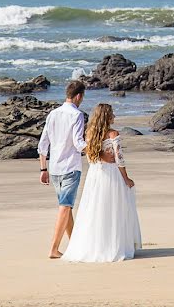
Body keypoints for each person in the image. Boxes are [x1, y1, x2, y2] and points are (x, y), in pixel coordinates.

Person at [63, 103, 142, 262]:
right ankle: (112, 245)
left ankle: (94, 245)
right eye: (112, 113)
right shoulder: (113, 134)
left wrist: (100, 158)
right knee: (113, 209)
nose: (114, 116)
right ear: (106, 116)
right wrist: (126, 178)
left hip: (95, 175)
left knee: (95, 208)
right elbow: (119, 159)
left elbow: (89, 155)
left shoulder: (90, 133)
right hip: (111, 174)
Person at [38, 80, 88, 259]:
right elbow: (78, 143)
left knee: (65, 208)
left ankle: (75, 244)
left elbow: (43, 143)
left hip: (54, 168)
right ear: (79, 96)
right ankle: (54, 248)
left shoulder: (53, 114)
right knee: (65, 207)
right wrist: (95, 146)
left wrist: (43, 168)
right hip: (70, 167)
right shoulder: (77, 115)